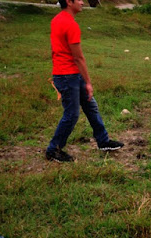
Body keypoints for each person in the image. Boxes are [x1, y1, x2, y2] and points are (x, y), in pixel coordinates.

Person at [46, 0, 123, 162]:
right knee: (72, 114)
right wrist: (88, 82)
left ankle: (103, 141)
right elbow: (78, 57)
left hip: (69, 74)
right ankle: (54, 149)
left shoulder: (56, 20)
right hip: (68, 76)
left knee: (91, 106)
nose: (82, 2)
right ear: (69, 2)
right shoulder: (70, 25)